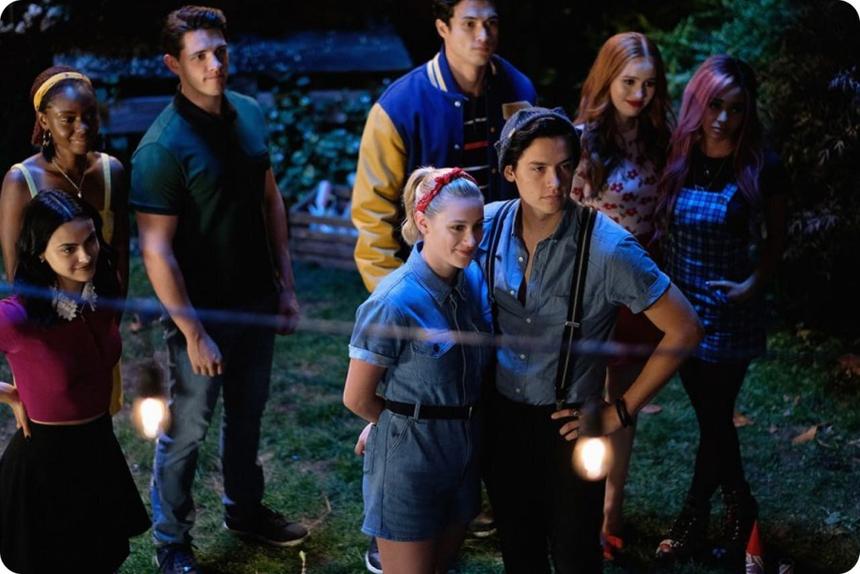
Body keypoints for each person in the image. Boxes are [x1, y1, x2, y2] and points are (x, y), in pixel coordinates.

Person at [479, 106, 703, 573]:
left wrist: (620, 411)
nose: (555, 183)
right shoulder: (485, 227)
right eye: (538, 169)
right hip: (500, 419)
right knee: (519, 553)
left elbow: (685, 328)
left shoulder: (608, 249)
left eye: (565, 167)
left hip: (570, 426)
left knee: (576, 556)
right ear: (509, 171)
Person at [130, 6, 305, 573]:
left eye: (220, 52)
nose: (215, 65)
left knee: (247, 417)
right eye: (200, 56)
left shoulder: (249, 113)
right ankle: (171, 543)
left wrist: (285, 285)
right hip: (200, 314)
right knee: (185, 432)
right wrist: (192, 332)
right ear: (173, 64)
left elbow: (270, 200)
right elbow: (156, 250)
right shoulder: (161, 148)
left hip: (257, 302)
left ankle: (245, 512)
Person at [652, 55, 786, 563]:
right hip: (679, 312)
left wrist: (754, 283)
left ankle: (695, 520)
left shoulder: (762, 165)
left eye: (736, 108)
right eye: (714, 105)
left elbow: (777, 238)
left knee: (714, 419)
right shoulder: (678, 155)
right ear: (698, 102)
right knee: (712, 419)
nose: (724, 118)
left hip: (730, 313)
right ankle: (740, 509)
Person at [344, 166, 491, 574]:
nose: (471, 240)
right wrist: (395, 424)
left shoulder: (473, 280)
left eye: (478, 226)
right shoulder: (392, 302)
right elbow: (356, 397)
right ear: (424, 223)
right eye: (457, 228)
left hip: (464, 454)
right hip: (411, 464)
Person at [0, 190, 149, 573]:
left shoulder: (104, 292)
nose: (86, 256)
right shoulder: (16, 317)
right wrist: (11, 395)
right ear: (39, 253)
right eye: (68, 249)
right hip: (44, 464)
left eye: (90, 240)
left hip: (97, 448)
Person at [351, 0, 537, 293]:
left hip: (505, 273)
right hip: (428, 277)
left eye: (491, 23)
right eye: (469, 24)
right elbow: (373, 212)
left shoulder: (519, 91)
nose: (483, 35)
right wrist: (393, 294)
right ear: (443, 27)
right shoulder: (398, 108)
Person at [570, 31, 673, 559]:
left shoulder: (661, 138)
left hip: (643, 279)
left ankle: (613, 509)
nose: (638, 94)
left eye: (649, 85)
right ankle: (581, 506)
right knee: (587, 401)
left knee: (624, 403)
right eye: (629, 82)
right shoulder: (581, 140)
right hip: (594, 279)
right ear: (607, 79)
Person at [0, 65, 129, 416]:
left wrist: (109, 323)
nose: (82, 127)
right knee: (53, 421)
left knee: (100, 414)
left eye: (90, 115)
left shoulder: (111, 172)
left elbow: (118, 253)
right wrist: (45, 343)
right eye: (68, 119)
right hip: (46, 332)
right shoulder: (21, 181)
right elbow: (16, 272)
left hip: (98, 315)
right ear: (44, 120)